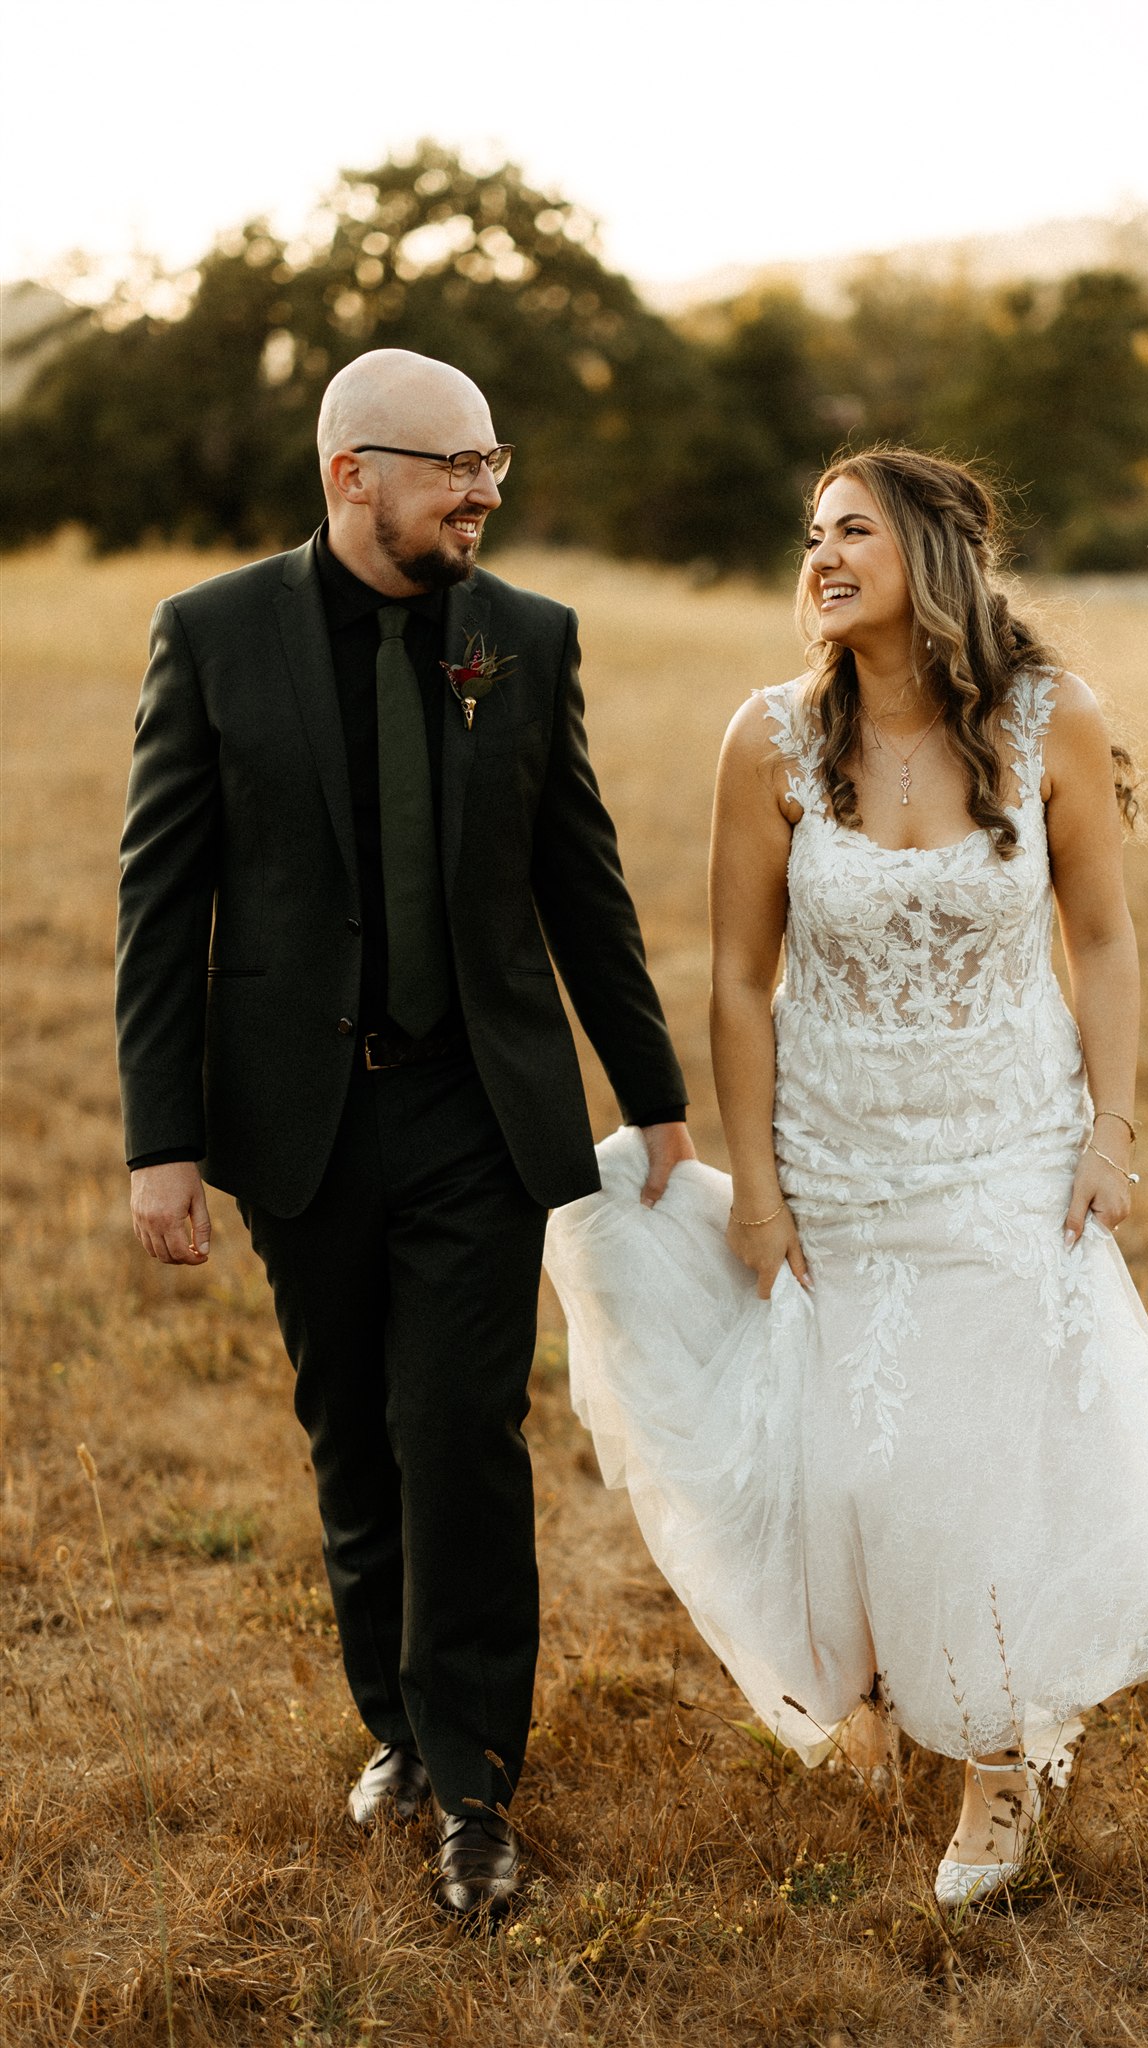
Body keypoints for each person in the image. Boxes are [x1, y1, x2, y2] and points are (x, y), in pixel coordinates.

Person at [543, 447, 1148, 1908]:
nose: (817, 556)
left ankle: (999, 1757)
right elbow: (740, 985)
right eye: (809, 534)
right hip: (837, 1151)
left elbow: (1103, 941)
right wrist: (756, 1189)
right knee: (864, 1455)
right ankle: (893, 1692)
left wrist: (1106, 1131)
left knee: (983, 1447)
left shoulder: (1050, 721)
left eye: (851, 531)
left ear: (933, 553)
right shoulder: (767, 740)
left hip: (1006, 1138)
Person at [115, 347, 693, 1919]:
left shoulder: (525, 639)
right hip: (300, 1119)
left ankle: (476, 1786)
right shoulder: (214, 635)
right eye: (456, 466)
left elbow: (580, 873)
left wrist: (651, 1089)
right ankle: (395, 1727)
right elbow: (164, 904)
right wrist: (160, 1139)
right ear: (350, 474)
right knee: (351, 1439)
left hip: (477, 1111)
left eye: (494, 462)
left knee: (460, 1435)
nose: (485, 490)